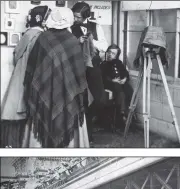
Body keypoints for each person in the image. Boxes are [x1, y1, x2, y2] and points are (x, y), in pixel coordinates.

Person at [23, 7, 89, 148]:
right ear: (69, 20)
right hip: (68, 94)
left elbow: (31, 69)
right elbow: (79, 73)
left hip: (43, 93)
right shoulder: (72, 41)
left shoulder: (43, 38)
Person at [1, 5, 51, 148]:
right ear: (40, 19)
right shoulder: (37, 34)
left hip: (23, 74)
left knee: (19, 109)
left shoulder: (30, 34)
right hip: (31, 75)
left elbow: (16, 55)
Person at [71, 1, 108, 142]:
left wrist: (91, 42)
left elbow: (104, 46)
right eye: (74, 16)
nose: (75, 19)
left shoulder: (96, 26)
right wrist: (77, 41)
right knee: (82, 101)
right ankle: (88, 136)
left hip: (93, 66)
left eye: (78, 17)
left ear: (85, 16)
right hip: (77, 67)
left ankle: (89, 123)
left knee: (101, 100)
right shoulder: (69, 27)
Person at [100, 44, 133, 125]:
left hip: (120, 84)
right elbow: (102, 78)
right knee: (119, 90)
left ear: (116, 56)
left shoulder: (119, 63)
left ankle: (129, 112)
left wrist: (124, 78)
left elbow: (125, 73)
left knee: (129, 89)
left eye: (113, 53)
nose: (110, 54)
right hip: (110, 85)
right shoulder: (103, 65)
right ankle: (122, 113)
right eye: (109, 52)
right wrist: (112, 80)